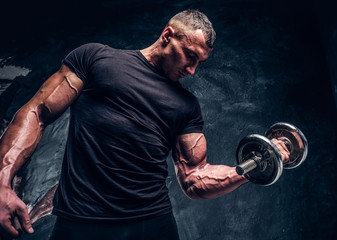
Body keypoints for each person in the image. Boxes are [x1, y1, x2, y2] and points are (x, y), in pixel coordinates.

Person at [0, 10, 290, 240]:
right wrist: (2, 183)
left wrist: (254, 164)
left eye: (200, 62)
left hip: (151, 224)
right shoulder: (97, 59)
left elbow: (194, 178)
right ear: (167, 35)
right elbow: (36, 112)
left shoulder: (186, 105)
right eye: (190, 56)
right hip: (81, 222)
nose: (192, 70)